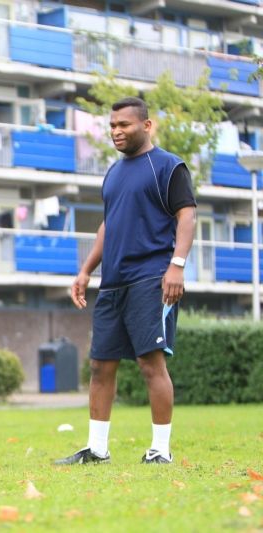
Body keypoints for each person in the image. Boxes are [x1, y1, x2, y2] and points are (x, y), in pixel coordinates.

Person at [55, 97, 196, 466]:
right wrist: (86, 270)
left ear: (146, 126)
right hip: (113, 282)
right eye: (113, 125)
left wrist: (177, 266)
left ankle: (160, 450)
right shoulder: (113, 173)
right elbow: (108, 226)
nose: (116, 131)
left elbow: (187, 217)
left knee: (151, 364)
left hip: (151, 277)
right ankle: (97, 449)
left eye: (124, 125)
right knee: (101, 365)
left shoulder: (167, 166)